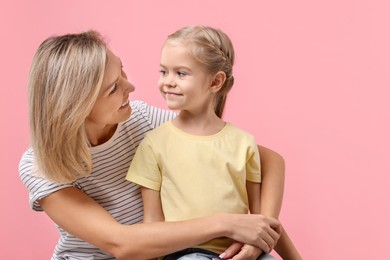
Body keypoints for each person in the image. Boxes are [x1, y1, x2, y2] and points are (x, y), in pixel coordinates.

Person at [18, 30, 285, 260]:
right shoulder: (40, 167)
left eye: (122, 70)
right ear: (77, 106)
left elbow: (267, 160)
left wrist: (258, 234)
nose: (131, 86)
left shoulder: (142, 120)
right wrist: (226, 223)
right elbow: (120, 243)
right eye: (113, 88)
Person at [127, 25, 302, 260]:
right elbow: (152, 226)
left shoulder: (243, 143)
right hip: (184, 254)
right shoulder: (153, 144)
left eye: (180, 73)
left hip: (242, 252)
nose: (167, 82)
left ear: (215, 82)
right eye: (163, 72)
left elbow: (262, 222)